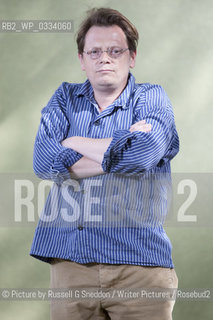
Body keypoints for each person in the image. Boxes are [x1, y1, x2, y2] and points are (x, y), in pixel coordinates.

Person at [30, 7, 179, 320]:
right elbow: (43, 162)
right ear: (82, 60)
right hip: (71, 266)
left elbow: (142, 156)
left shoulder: (152, 98)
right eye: (94, 51)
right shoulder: (64, 99)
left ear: (132, 56)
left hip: (140, 269)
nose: (104, 58)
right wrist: (125, 139)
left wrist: (72, 143)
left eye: (115, 50)